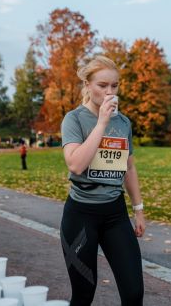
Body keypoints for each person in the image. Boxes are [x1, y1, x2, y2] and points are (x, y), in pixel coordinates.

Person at [60, 55, 145, 306]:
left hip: (114, 214)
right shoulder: (73, 119)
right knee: (84, 295)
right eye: (102, 85)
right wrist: (102, 123)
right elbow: (75, 163)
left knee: (133, 294)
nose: (110, 92)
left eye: (115, 86)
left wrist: (138, 210)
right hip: (81, 215)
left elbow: (128, 168)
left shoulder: (124, 123)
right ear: (87, 85)